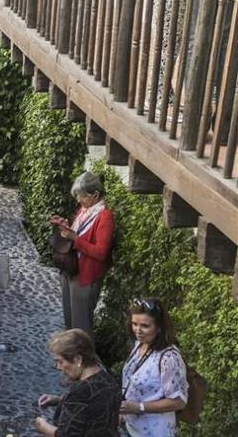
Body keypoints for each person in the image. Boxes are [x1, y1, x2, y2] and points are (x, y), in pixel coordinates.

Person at [48, 172, 114, 335]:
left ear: (95, 195)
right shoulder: (85, 210)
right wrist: (65, 225)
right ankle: (70, 358)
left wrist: (75, 239)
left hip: (85, 276)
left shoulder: (104, 217)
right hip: (71, 269)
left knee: (81, 326)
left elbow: (101, 252)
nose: (78, 200)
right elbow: (79, 232)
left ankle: (83, 359)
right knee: (70, 321)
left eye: (82, 196)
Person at [120, 299, 189, 437]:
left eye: (145, 326)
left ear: (159, 327)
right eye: (134, 324)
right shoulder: (139, 344)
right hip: (132, 427)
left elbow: (179, 401)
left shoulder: (169, 358)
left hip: (156, 431)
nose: (138, 331)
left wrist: (140, 407)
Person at [34, 329, 121, 437]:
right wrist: (60, 400)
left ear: (78, 359)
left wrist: (43, 426)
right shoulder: (109, 380)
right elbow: (93, 408)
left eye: (60, 361)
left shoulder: (79, 392)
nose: (58, 367)